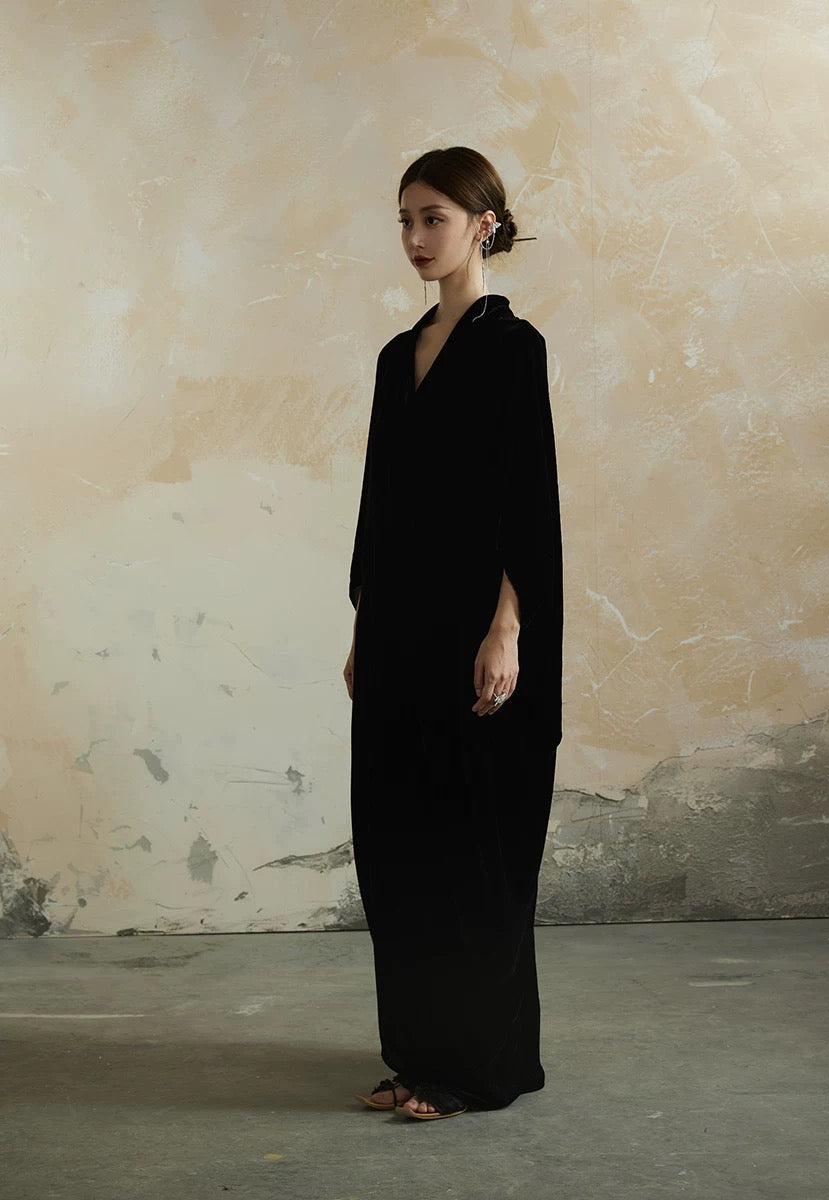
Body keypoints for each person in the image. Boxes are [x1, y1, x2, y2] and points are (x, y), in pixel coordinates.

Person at [344, 146, 563, 1120]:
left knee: (474, 853)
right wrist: (365, 624)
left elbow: (529, 501)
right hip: (398, 631)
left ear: (484, 224)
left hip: (477, 631)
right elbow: (380, 504)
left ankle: (478, 1067)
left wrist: (507, 628)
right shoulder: (397, 358)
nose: (415, 238)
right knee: (401, 849)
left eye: (433, 217)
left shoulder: (514, 349)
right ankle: (416, 1056)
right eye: (405, 220)